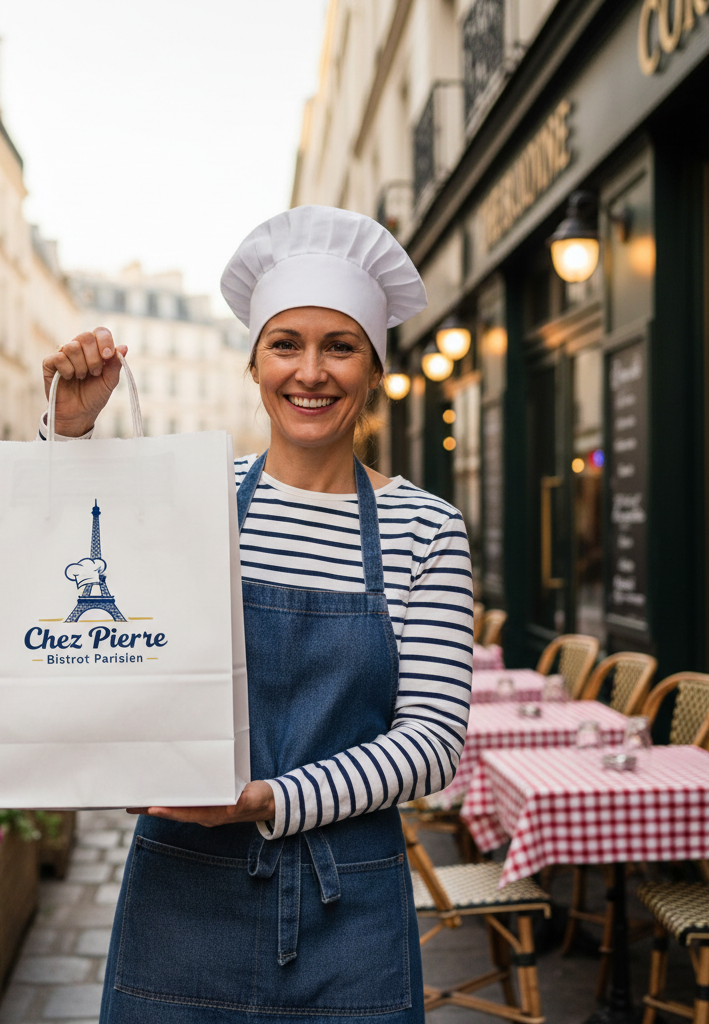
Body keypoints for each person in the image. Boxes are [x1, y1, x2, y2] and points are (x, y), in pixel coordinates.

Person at [39, 205, 473, 1024]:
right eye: (287, 345)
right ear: (254, 364)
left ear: (374, 367)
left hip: (350, 907)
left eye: (339, 346)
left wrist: (267, 800)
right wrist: (69, 430)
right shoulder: (190, 497)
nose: (311, 372)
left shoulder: (427, 527)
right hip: (181, 898)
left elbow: (431, 745)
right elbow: (63, 588)